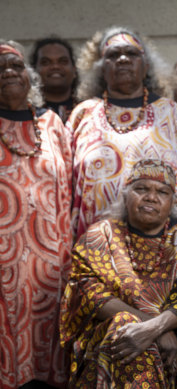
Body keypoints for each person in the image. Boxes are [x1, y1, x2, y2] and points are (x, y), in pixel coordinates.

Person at [60, 159, 177, 388]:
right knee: (124, 325)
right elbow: (92, 295)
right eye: (141, 189)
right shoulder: (101, 236)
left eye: (162, 192)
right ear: (125, 196)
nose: (151, 197)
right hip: (111, 338)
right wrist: (154, 330)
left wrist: (158, 328)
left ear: (174, 202)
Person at [69, 26, 177, 238]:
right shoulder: (83, 114)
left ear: (146, 65)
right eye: (113, 55)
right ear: (101, 68)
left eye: (131, 53)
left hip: (163, 246)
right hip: (97, 247)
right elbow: (67, 188)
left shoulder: (171, 112)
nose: (122, 59)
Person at [0, 40, 72, 389]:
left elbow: (68, 192)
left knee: (50, 363)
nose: (9, 74)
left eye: (15, 67)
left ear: (29, 76)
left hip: (51, 268)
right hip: (4, 268)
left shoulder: (52, 123)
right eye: (1, 69)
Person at [30, 36, 78, 122]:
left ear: (74, 69)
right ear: (33, 71)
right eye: (46, 62)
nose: (55, 66)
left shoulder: (89, 110)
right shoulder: (26, 112)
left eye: (63, 61)